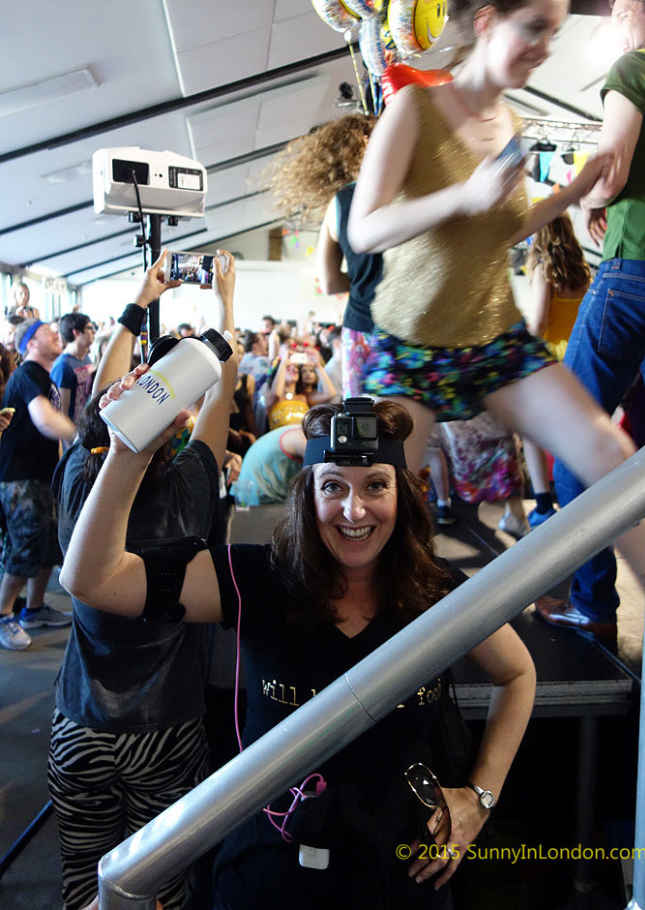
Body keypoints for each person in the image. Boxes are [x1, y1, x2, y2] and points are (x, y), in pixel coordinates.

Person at [61, 395, 535, 909]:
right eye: (333, 486)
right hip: (272, 869)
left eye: (376, 485)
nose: (354, 511)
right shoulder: (258, 578)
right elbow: (93, 580)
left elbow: (516, 674)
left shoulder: (438, 593)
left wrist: (480, 798)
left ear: (404, 494)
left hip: (403, 872)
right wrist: (127, 452)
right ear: (308, 494)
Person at [347, 0, 645, 627]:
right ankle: (365, 677)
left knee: (612, 454)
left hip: (493, 336)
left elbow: (497, 232)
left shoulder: (508, 124)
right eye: (533, 27)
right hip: (411, 346)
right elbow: (365, 229)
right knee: (380, 519)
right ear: (486, 21)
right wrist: (463, 195)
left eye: (555, 31)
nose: (545, 46)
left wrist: (572, 192)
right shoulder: (414, 109)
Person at [48, 249, 238, 910]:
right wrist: (225, 305)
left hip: (81, 723)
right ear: (179, 424)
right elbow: (221, 390)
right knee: (157, 888)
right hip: (167, 726)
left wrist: (143, 294)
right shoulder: (192, 485)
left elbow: (105, 412)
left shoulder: (80, 482)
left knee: (84, 883)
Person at [536, 0, 645, 635]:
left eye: (625, 14)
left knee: (574, 433)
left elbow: (612, 166)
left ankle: (594, 602)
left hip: (633, 279)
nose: (619, 29)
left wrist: (594, 196)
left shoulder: (641, 68)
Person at [268, 113, 378, 396]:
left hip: (363, 327)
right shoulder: (414, 188)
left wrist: (366, 280)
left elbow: (328, 282)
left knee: (366, 423)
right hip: (414, 325)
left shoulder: (339, 203)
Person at [0, 320, 76, 650]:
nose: (56, 334)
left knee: (47, 546)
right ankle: (4, 616)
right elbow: (45, 419)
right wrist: (79, 436)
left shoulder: (44, 376)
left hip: (41, 475)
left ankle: (33, 609)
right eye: (48, 332)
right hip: (20, 477)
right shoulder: (27, 374)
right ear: (29, 343)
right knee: (24, 548)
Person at [522, 214, 592, 528]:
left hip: (547, 360)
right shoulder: (582, 271)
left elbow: (537, 323)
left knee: (530, 433)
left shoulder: (542, 269)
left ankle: (542, 506)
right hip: (578, 356)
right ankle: (586, 498)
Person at [265, 344, 337, 430]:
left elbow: (330, 393)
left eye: (295, 368)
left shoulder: (304, 397)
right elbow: (276, 393)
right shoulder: (271, 396)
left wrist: (317, 366)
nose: (294, 369)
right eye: (288, 367)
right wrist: (283, 363)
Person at [50, 311, 96, 428]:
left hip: (84, 426)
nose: (93, 332)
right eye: (89, 328)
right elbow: (61, 412)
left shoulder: (85, 357)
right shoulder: (63, 366)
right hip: (71, 433)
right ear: (76, 332)